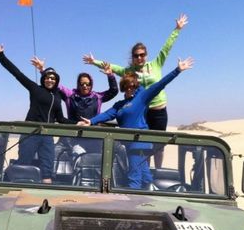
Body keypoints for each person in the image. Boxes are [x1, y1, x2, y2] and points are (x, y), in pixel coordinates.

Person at [83, 14, 188, 168]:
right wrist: (94, 62)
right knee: (145, 144)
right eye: (136, 56)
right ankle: (146, 170)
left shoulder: (156, 64)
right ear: (132, 57)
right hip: (141, 112)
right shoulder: (129, 72)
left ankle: (157, 170)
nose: (139, 58)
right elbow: (111, 67)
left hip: (158, 111)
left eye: (142, 55)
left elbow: (166, 47)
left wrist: (177, 29)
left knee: (159, 146)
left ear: (146, 55)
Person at [78, 57, 194, 189]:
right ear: (123, 87)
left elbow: (160, 84)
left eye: (132, 86)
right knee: (145, 178)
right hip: (130, 145)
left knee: (134, 180)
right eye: (127, 86)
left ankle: (134, 201)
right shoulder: (119, 105)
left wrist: (177, 70)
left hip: (139, 144)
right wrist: (91, 121)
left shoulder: (142, 98)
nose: (129, 89)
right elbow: (107, 114)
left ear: (136, 86)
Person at [0, 41, 74, 183]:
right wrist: (1, 55)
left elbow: (61, 119)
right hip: (30, 133)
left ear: (57, 81)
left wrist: (78, 123)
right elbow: (17, 73)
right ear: (43, 79)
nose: (50, 80)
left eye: (53, 78)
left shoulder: (57, 96)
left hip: (47, 135)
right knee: (24, 164)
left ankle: (46, 191)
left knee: (47, 169)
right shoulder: (35, 89)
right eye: (47, 77)